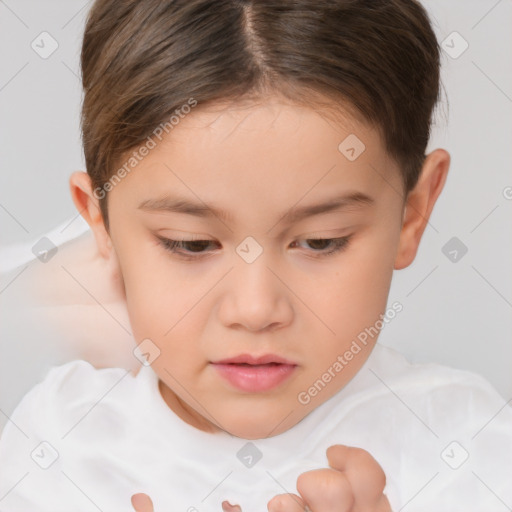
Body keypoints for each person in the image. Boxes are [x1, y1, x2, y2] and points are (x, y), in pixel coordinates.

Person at [1, 0, 511, 511]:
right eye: (191, 243)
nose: (255, 309)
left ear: (411, 214)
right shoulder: (60, 443)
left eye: (320, 241)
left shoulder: (466, 444)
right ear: (102, 224)